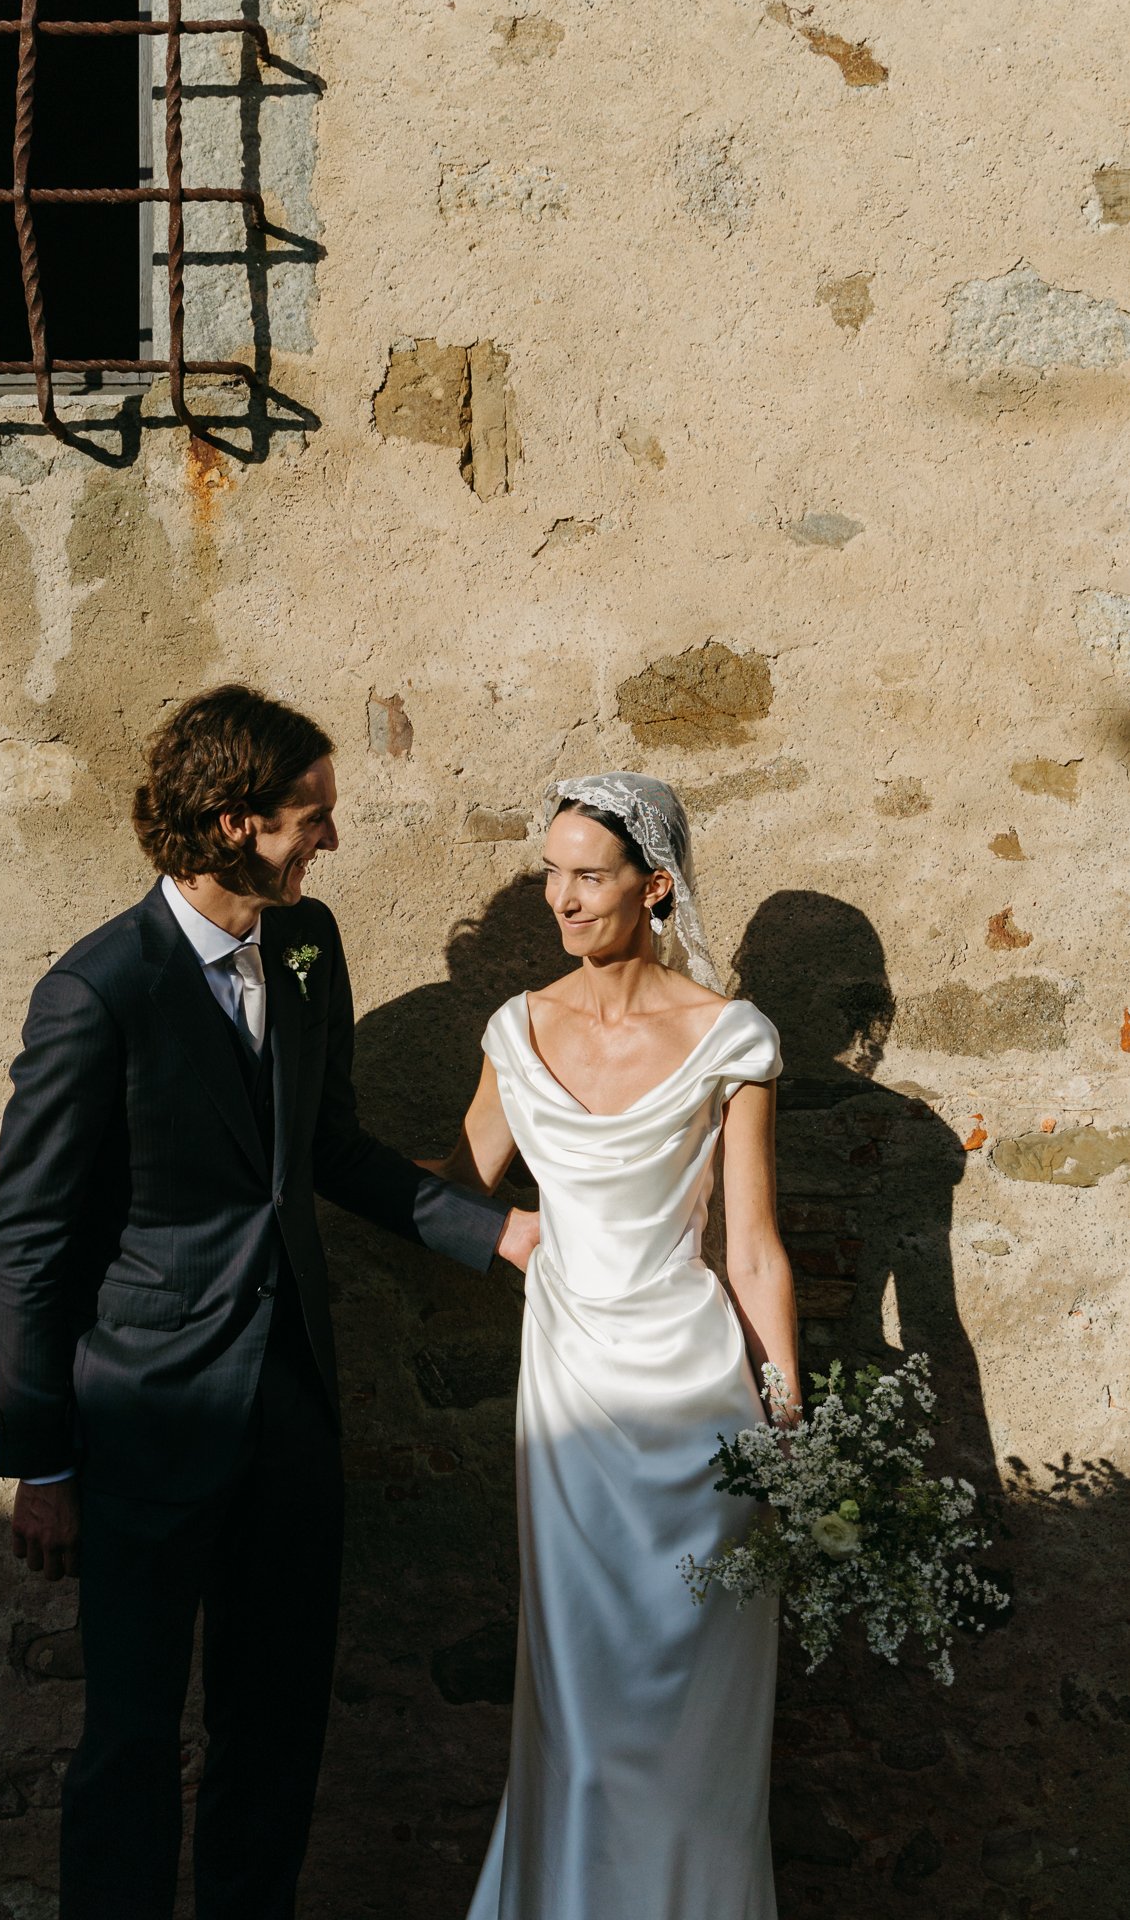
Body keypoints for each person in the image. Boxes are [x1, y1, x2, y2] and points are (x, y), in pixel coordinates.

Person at [0, 684, 540, 1920]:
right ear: (236, 824)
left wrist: (500, 1232)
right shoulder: (97, 992)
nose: (331, 839)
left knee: (276, 1732)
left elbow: (327, 1149)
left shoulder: (306, 947)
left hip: (290, 1409)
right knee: (129, 1740)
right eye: (313, 816)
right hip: (142, 1426)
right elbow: (29, 1238)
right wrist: (44, 1461)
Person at [433, 773, 799, 1920]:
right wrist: (505, 1238)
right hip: (572, 1407)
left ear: (657, 887)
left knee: (694, 1721)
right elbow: (459, 1187)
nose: (562, 898)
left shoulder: (730, 1038)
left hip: (698, 1408)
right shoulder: (517, 1028)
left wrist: (788, 1432)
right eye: (553, 872)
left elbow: (752, 1253)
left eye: (588, 875)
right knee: (584, 1715)